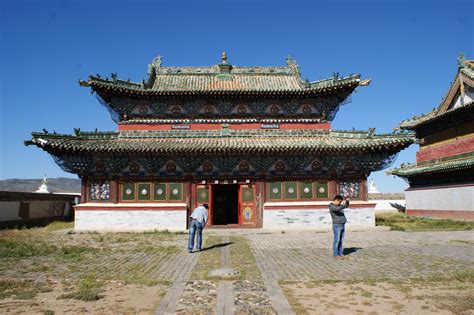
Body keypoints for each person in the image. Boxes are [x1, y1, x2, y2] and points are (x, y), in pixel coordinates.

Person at [329, 195, 350, 259]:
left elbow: (346, 205)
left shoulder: (339, 206)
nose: (340, 203)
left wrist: (347, 201)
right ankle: (336, 254)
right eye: (340, 202)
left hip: (342, 224)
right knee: (337, 240)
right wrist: (343, 205)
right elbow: (337, 209)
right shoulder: (331, 206)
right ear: (336, 200)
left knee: (341, 240)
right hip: (337, 225)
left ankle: (340, 253)